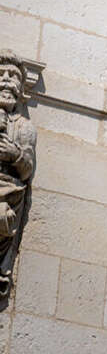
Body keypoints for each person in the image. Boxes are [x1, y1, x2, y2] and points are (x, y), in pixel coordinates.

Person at [0, 50, 35, 298]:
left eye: (13, 76)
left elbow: (27, 168)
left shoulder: (24, 126)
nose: (7, 81)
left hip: (8, 190)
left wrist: (14, 154)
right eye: (2, 74)